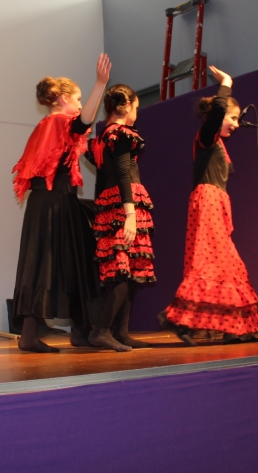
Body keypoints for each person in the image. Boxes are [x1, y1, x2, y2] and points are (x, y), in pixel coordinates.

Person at [10, 55, 111, 353]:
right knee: (49, 265)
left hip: (52, 202)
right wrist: (100, 84)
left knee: (72, 263)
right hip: (54, 203)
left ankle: (78, 330)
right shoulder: (58, 122)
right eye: (77, 99)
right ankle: (31, 336)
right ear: (63, 99)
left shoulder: (46, 125)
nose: (80, 105)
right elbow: (83, 122)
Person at [159, 66, 258, 346]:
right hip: (208, 202)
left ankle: (231, 327)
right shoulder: (207, 138)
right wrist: (226, 84)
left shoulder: (217, 144)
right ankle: (179, 320)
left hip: (215, 204)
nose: (237, 124)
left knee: (229, 266)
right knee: (209, 263)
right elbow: (217, 113)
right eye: (233, 118)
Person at [87, 84, 155, 351]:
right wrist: (130, 214)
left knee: (130, 271)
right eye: (136, 107)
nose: (136, 113)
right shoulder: (121, 133)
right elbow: (124, 173)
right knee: (123, 273)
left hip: (112, 204)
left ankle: (121, 332)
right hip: (124, 205)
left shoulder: (103, 136)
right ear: (125, 106)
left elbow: (103, 176)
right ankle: (101, 330)